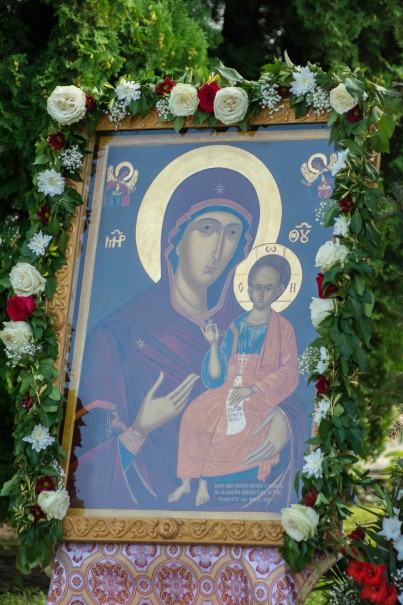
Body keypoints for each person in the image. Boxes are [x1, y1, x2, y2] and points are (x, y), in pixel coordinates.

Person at [68, 168, 266, 509]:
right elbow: (83, 463)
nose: (218, 250)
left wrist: (280, 424)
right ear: (176, 237)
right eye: (207, 229)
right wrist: (139, 430)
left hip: (233, 511)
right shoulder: (117, 337)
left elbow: (288, 411)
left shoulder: (246, 330)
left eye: (232, 234)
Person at [168, 255, 299, 507]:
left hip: (259, 394)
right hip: (228, 389)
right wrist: (213, 345)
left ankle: (206, 481)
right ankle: (187, 481)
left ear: (280, 290)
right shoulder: (236, 326)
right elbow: (216, 377)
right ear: (248, 289)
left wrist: (254, 389)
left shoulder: (283, 329)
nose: (261, 294)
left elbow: (290, 371)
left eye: (268, 288)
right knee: (194, 414)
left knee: (228, 426)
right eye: (257, 287)